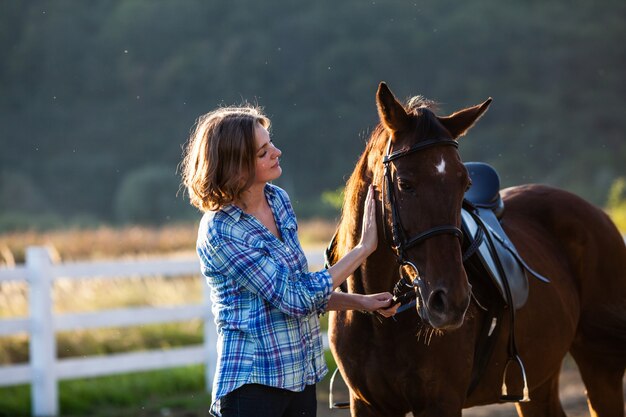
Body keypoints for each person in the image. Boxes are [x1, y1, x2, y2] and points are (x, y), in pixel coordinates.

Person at [180, 104, 398, 417]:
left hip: (299, 378)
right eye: (263, 152)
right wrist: (363, 248)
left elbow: (303, 290)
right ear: (235, 165)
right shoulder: (221, 230)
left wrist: (362, 302)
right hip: (252, 386)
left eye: (271, 144)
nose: (277, 152)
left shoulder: (277, 200)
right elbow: (295, 298)